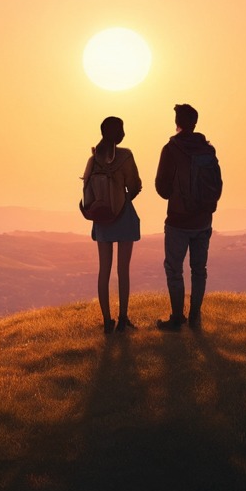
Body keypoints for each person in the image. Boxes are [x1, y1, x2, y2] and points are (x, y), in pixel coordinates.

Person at [154, 103, 219, 330]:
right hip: (203, 220)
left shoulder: (171, 149)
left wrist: (177, 194)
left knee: (175, 269)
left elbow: (161, 188)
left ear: (177, 123)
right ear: (195, 122)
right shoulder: (207, 150)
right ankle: (195, 317)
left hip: (178, 221)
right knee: (198, 269)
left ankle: (177, 318)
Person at [83, 116, 142, 333]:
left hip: (101, 217)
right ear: (117, 132)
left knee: (104, 270)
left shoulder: (93, 158)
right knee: (122, 270)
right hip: (123, 216)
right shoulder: (125, 156)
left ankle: (107, 321)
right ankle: (123, 319)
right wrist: (123, 199)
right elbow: (135, 185)